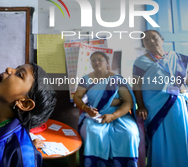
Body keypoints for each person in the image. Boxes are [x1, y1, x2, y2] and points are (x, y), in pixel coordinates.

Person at [0, 63, 57, 167]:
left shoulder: (22, 151)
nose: (8, 69)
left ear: (24, 103)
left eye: (19, 74)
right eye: (15, 68)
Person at [74, 51, 139, 167]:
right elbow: (77, 97)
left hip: (119, 115)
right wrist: (87, 109)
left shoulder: (116, 79)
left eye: (100, 59)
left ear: (107, 62)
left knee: (129, 133)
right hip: (96, 115)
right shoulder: (86, 79)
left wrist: (113, 116)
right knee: (93, 132)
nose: (96, 62)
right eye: (93, 60)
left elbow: (128, 102)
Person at [133, 30, 188, 167]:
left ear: (162, 39)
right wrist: (141, 106)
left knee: (180, 134)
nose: (151, 41)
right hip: (155, 105)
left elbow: (185, 81)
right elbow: (137, 85)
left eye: (154, 37)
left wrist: (184, 88)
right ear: (144, 44)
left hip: (177, 105)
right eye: (146, 40)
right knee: (161, 137)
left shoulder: (178, 57)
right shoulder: (140, 61)